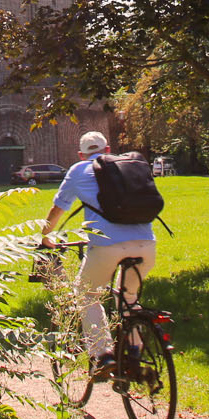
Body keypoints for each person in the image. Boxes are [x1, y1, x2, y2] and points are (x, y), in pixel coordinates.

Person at [41, 130, 156, 379]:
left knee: (87, 294)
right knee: (128, 296)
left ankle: (103, 354)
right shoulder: (129, 166)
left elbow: (58, 208)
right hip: (147, 244)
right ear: (108, 150)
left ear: (81, 154)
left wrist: (46, 236)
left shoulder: (78, 170)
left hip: (107, 246)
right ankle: (135, 352)